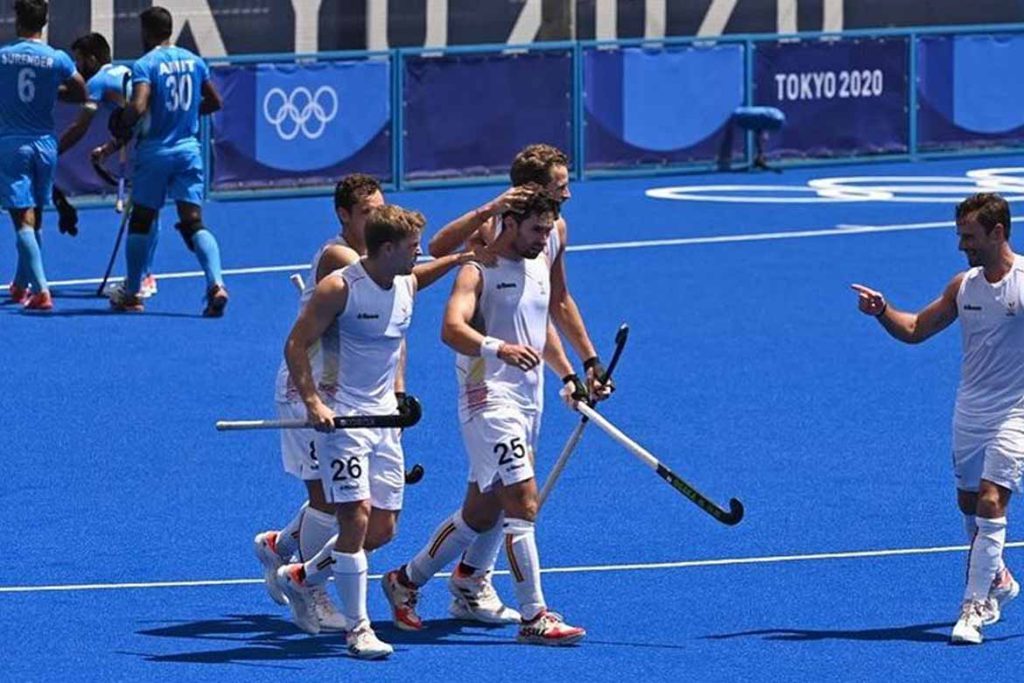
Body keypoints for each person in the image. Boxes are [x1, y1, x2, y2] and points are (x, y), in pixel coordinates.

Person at [390, 144, 613, 626]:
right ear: (515, 213)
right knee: (523, 500)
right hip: (486, 392)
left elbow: (545, 317)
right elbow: (450, 323)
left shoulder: (547, 241)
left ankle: (408, 580)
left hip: (527, 393)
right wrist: (497, 348)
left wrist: (578, 370)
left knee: (482, 509)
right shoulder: (483, 256)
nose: (568, 195)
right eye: (559, 187)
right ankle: (537, 616)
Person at [270, 204, 484, 659]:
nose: (420, 254)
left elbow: (420, 277)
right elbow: (295, 344)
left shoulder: (404, 280)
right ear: (386, 249)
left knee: (383, 529)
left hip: (385, 421)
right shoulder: (339, 289)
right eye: (413, 248)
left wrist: (461, 260)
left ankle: (303, 575)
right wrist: (312, 402)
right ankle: (358, 629)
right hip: (344, 419)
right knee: (356, 518)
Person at [852, 192, 1023, 645]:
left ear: (998, 232)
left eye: (969, 236)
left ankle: (974, 607)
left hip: (1016, 411)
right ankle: (1000, 581)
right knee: (968, 506)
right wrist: (882, 311)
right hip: (970, 410)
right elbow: (914, 330)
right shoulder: (962, 286)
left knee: (990, 501)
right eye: (960, 235)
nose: (962, 245)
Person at [105, 6, 226, 315]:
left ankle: (132, 293)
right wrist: (184, 116)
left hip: (156, 151)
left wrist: (123, 119)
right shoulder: (194, 61)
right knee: (193, 222)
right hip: (188, 150)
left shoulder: (146, 64)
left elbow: (140, 103)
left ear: (146, 32)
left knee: (142, 218)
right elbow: (214, 101)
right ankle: (216, 284)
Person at [57, 32, 158, 298]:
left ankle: (142, 280)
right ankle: (147, 274)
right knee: (151, 211)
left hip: (151, 146)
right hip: (157, 135)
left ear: (92, 59)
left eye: (79, 62)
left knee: (144, 212)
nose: (78, 69)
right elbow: (134, 122)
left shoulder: (98, 81)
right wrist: (109, 148)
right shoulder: (125, 70)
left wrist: (54, 152)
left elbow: (80, 126)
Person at [1, 0, 86, 310]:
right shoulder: (56, 58)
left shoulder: (4, 56)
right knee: (34, 216)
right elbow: (80, 91)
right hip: (45, 144)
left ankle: (41, 289)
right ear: (44, 23)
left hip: (12, 143)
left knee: (21, 219)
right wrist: (52, 93)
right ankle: (21, 284)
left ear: (18, 22)